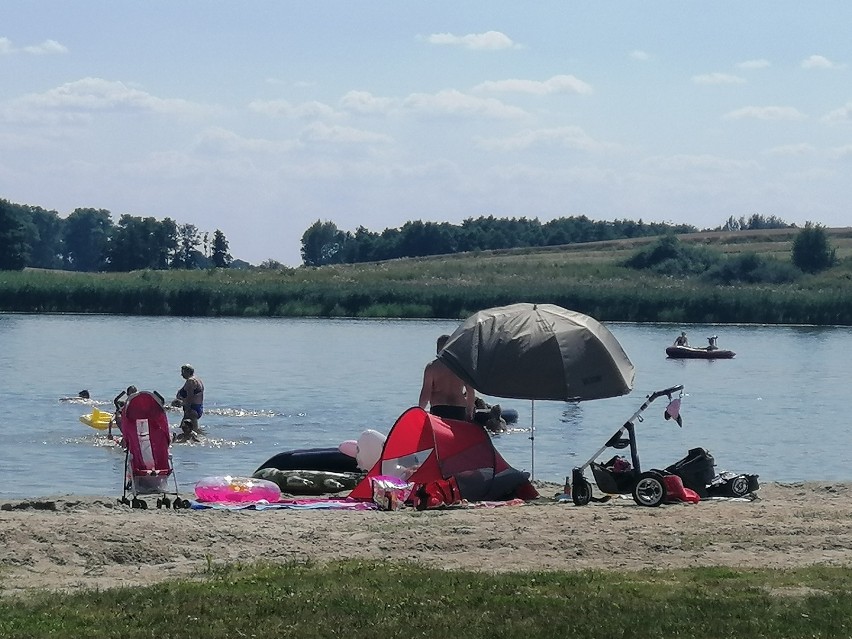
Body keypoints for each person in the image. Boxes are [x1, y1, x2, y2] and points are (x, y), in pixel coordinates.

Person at [418, 334, 475, 422]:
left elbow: (426, 394)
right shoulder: (462, 367)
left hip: (439, 408)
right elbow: (470, 392)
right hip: (459, 408)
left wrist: (419, 412)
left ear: (438, 350)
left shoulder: (432, 367)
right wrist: (469, 412)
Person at [173, 364, 204, 434]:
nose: (181, 374)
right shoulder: (197, 379)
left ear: (187, 372)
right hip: (197, 408)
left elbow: (190, 397)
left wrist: (184, 405)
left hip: (191, 409)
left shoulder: (190, 381)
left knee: (184, 431)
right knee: (192, 431)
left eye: (183, 372)